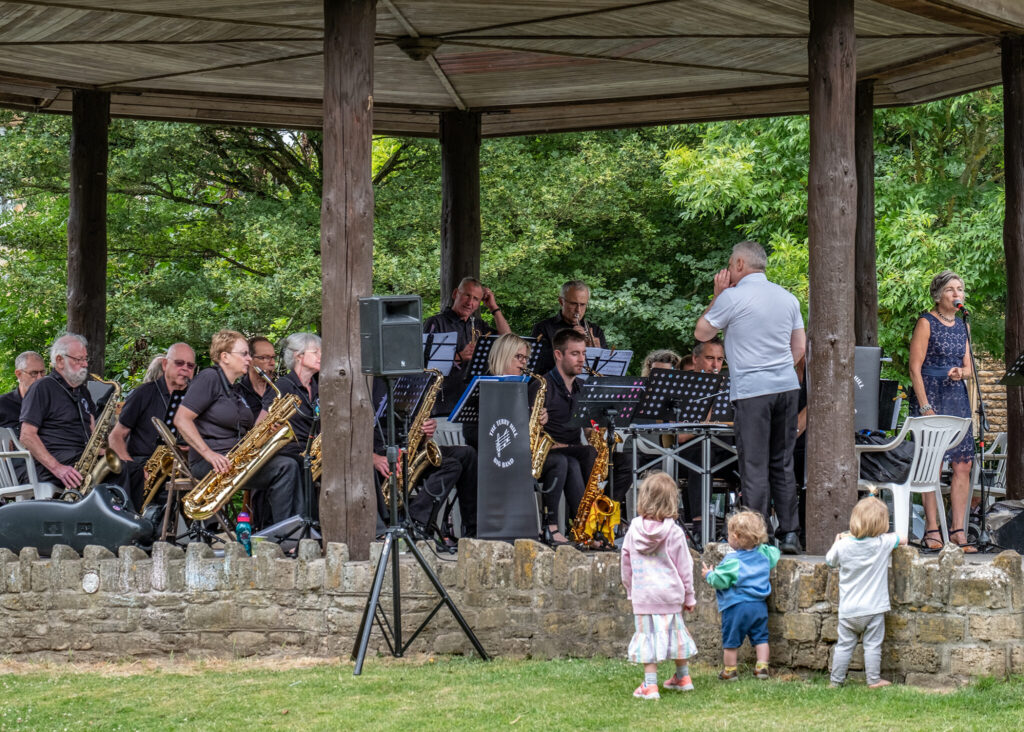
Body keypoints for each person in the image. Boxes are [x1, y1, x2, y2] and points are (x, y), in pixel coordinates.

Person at [695, 240, 805, 555]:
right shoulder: (787, 298)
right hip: (786, 387)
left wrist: (717, 295)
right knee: (782, 462)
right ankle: (790, 534)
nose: (728, 271)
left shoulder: (732, 296)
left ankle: (758, 536)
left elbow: (702, 333)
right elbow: (799, 348)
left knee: (754, 464)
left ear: (740, 264)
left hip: (753, 391)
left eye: (730, 265)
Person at [175, 330, 301, 528]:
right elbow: (182, 419)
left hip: (233, 458)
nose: (249, 359)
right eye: (244, 354)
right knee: (286, 467)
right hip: (213, 463)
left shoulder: (235, 389)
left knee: (292, 463)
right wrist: (209, 454)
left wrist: (268, 430)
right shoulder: (209, 378)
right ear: (224, 357)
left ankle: (288, 532)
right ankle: (283, 535)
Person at [908, 270, 975, 552]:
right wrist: (925, 406)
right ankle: (933, 530)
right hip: (931, 396)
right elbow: (914, 366)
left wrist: (962, 372)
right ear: (938, 295)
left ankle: (958, 531)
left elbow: (970, 367)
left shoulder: (963, 325)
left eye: (959, 288)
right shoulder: (926, 322)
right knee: (932, 464)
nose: (956, 293)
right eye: (950, 289)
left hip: (956, 398)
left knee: (963, 465)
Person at [370, 375, 478, 542]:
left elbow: (419, 428)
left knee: (467, 454)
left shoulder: (414, 382)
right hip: (379, 453)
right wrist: (374, 458)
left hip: (410, 451)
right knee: (452, 466)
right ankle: (417, 522)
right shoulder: (369, 382)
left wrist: (427, 431)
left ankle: (472, 531)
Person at [488, 333, 573, 545]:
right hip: (497, 459)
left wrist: (539, 419)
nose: (524, 363)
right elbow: (472, 432)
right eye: (519, 357)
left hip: (522, 455)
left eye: (526, 358)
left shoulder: (522, 387)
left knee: (560, 461)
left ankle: (550, 525)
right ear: (504, 357)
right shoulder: (484, 386)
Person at [621, 472, 698, 700]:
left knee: (647, 638)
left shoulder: (633, 531)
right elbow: (685, 566)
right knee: (676, 633)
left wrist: (630, 590)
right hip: (671, 595)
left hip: (644, 595)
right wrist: (689, 597)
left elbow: (625, 564)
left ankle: (650, 685)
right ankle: (682, 677)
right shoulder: (674, 533)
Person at [825, 496, 903, 689]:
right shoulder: (882, 543)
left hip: (848, 609)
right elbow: (903, 538)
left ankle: (835, 681)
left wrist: (837, 540)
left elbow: (829, 561)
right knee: (872, 645)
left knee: (844, 646)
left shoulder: (843, 545)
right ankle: (874, 680)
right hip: (873, 609)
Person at [528, 329, 597, 526]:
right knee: (583, 456)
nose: (581, 359)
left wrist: (598, 430)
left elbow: (588, 429)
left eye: (584, 353)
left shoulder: (583, 387)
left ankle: (591, 522)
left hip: (573, 450)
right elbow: (532, 432)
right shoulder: (541, 386)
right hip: (549, 452)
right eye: (575, 354)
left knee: (621, 461)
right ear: (558, 355)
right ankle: (584, 525)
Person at [702, 509, 780, 681]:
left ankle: (730, 671)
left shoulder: (732, 561)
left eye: (729, 535)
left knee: (731, 640)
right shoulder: (764, 555)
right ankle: (762, 667)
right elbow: (776, 553)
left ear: (735, 537)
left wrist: (709, 574)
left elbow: (720, 580)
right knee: (761, 638)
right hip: (759, 606)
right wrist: (761, 545)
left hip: (736, 606)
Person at [18, 334, 97, 489]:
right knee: (118, 474)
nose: (85, 364)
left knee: (127, 468)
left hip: (80, 457)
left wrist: (101, 450)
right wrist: (58, 468)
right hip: (51, 466)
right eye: (79, 359)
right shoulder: (43, 387)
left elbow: (93, 429)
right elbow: (26, 436)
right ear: (60, 361)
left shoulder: (82, 392)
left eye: (85, 359)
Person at [424, 277, 511, 414]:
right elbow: (424, 365)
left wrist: (494, 308)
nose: (470, 302)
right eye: (467, 295)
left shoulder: (478, 325)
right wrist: (459, 356)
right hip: (442, 405)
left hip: (473, 404)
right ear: (455, 294)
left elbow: (508, 339)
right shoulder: (436, 322)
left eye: (476, 299)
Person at [109, 343, 196, 464]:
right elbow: (115, 436)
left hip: (183, 467)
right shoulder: (143, 393)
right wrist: (132, 468)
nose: (185, 368)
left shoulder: (197, 397)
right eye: (179, 363)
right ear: (165, 365)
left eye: (190, 365)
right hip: (144, 466)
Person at [257, 332, 321, 462]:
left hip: (313, 452)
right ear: (298, 356)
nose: (321, 356)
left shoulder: (319, 388)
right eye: (315, 352)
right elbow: (259, 427)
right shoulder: (283, 386)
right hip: (291, 455)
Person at [531, 279, 608, 349]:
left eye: (582, 304)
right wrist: (568, 343)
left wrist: (597, 351)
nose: (578, 310)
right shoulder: (543, 328)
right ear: (561, 301)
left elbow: (606, 363)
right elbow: (538, 362)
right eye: (573, 304)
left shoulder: (596, 331)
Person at [0, 351, 46, 432]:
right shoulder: (2, 404)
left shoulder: (52, 404)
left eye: (42, 372)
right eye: (34, 373)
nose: (40, 378)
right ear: (19, 374)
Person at [238, 335, 277, 422]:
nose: (273, 363)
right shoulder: (236, 394)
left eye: (273, 357)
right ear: (249, 360)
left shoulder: (277, 392)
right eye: (265, 358)